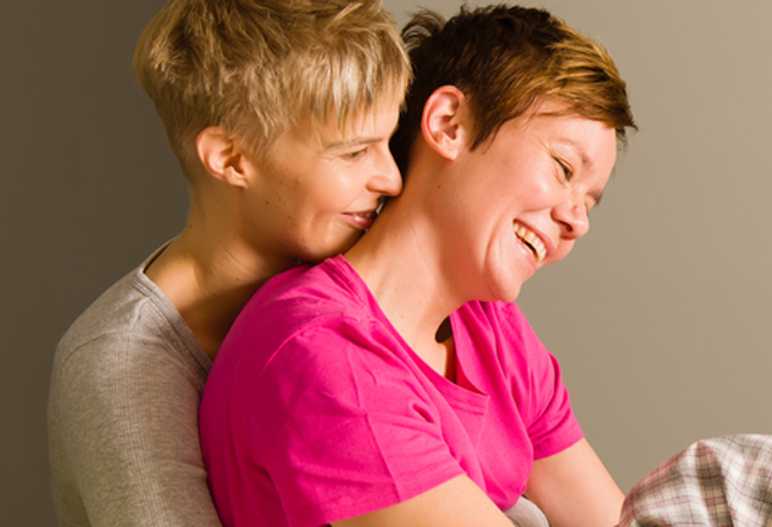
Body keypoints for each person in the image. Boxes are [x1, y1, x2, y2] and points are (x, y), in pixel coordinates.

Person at [199, 5, 635, 526]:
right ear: (449, 125)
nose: (576, 221)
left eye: (589, 203)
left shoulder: (494, 333)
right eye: (563, 169)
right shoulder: (324, 355)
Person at [46, 1, 410, 525]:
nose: (392, 179)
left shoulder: (350, 292)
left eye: (388, 142)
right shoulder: (118, 365)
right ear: (231, 159)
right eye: (354, 152)